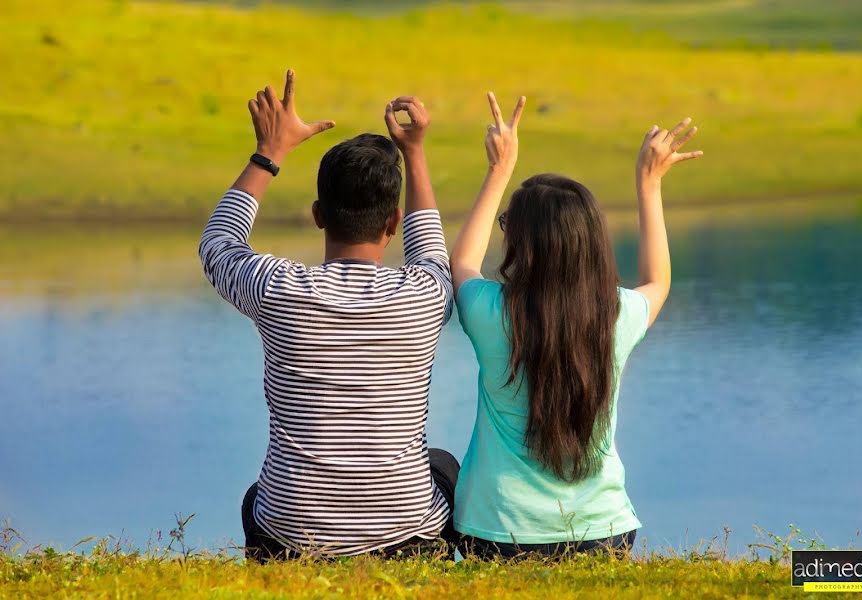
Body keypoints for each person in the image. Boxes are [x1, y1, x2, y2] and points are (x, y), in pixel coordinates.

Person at [199, 70, 459, 560]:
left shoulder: (280, 289)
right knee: (444, 465)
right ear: (393, 223)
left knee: (257, 498)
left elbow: (218, 245)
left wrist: (270, 153)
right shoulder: (422, 295)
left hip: (291, 534)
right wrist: (415, 151)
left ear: (318, 214)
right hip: (405, 536)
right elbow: (430, 250)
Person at [449, 92, 702, 559]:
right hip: (603, 533)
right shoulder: (617, 315)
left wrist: (498, 171)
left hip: (496, 534)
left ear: (523, 245)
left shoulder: (490, 311)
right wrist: (649, 184)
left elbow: (461, 262)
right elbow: (658, 280)